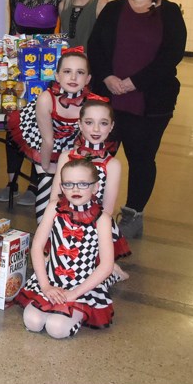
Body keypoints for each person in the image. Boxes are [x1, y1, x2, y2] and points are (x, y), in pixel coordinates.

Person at [88, 0, 187, 239]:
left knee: (142, 158)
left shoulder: (169, 13)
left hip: (150, 101)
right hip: (109, 99)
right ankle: (92, 208)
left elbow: (171, 56)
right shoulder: (114, 9)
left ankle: (133, 213)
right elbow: (96, 47)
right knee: (99, 156)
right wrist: (107, 76)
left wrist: (133, 82)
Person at [15, 159, 114, 339]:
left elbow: (106, 265)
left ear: (95, 187)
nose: (75, 190)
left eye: (83, 184)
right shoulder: (54, 208)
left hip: (82, 286)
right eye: (69, 184)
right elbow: (36, 247)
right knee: (33, 322)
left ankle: (81, 308)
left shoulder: (102, 219)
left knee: (57, 328)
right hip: (51, 280)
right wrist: (45, 286)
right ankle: (58, 305)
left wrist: (74, 293)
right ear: (61, 187)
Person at [3, 49, 91, 221]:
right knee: (46, 183)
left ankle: (69, 227)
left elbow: (85, 142)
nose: (73, 78)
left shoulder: (91, 104)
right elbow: (47, 140)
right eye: (67, 72)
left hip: (71, 144)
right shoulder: (46, 99)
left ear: (88, 79)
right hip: (43, 138)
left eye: (79, 73)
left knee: (74, 187)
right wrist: (45, 169)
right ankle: (43, 227)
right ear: (57, 76)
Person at [49, 96, 131, 278]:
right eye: (89, 122)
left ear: (111, 127)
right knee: (54, 270)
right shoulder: (66, 156)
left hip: (94, 227)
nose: (95, 129)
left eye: (103, 123)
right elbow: (55, 198)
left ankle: (105, 265)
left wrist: (86, 235)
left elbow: (107, 211)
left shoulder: (112, 164)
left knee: (91, 275)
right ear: (79, 124)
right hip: (64, 222)